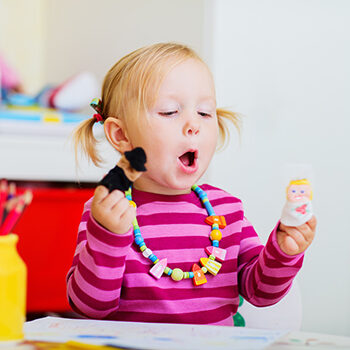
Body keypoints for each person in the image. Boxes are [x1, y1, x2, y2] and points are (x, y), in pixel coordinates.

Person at [67, 42, 316, 325]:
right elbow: (89, 307)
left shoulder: (227, 210)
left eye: (205, 113)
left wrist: (284, 252)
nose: (193, 125)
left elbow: (259, 292)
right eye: (170, 112)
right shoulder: (108, 213)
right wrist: (108, 236)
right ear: (121, 134)